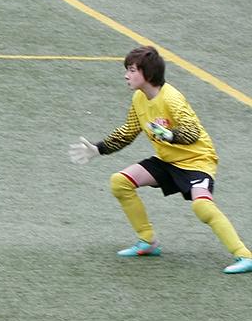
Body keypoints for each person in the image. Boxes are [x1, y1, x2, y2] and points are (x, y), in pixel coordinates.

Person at [70, 45, 252, 274]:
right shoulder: (139, 98)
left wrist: (170, 135)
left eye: (132, 70)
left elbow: (192, 132)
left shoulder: (172, 98)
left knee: (202, 206)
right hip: (168, 160)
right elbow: (128, 131)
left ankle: (245, 255)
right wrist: (99, 148)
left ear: (148, 74)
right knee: (120, 182)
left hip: (197, 161)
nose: (126, 75)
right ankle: (147, 242)